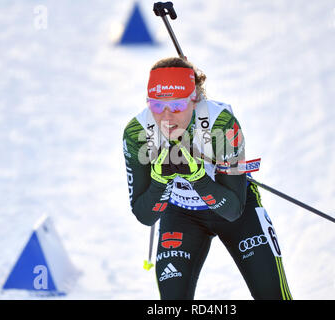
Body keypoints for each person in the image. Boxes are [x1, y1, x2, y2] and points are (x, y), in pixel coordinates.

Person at [123, 57, 292, 300]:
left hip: (235, 209)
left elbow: (233, 210)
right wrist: (159, 181)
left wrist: (198, 177)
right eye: (157, 106)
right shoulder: (137, 132)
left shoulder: (220, 124)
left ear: (195, 99)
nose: (167, 118)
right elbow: (145, 215)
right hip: (180, 213)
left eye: (178, 106)